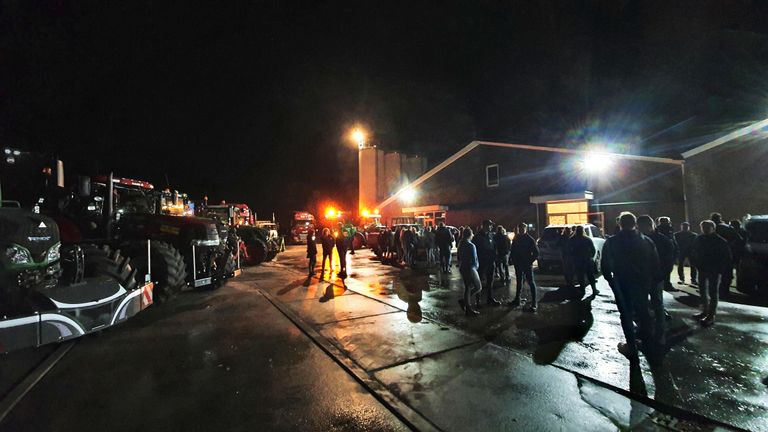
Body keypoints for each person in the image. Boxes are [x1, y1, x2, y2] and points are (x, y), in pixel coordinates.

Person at [601, 212, 660, 361]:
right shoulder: (645, 241)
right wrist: (650, 280)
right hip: (642, 283)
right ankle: (649, 345)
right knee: (643, 313)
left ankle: (631, 345)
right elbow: (655, 263)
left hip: (622, 283)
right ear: (635, 224)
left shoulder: (612, 242)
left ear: (620, 224)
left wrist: (611, 282)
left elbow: (605, 265)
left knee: (626, 314)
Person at [691, 220, 732, 326]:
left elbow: (726, 257)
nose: (704, 229)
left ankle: (711, 315)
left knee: (713, 293)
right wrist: (696, 264)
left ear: (713, 228)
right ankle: (705, 311)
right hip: (703, 269)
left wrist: (720, 270)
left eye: (707, 227)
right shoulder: (699, 239)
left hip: (714, 270)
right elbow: (694, 252)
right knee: (703, 291)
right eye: (703, 227)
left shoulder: (720, 241)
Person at [638, 215, 671, 341]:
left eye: (640, 227)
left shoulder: (661, 240)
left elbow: (668, 260)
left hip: (655, 278)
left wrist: (661, 275)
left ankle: (659, 334)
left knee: (657, 305)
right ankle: (647, 331)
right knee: (645, 304)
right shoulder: (641, 239)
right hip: (643, 278)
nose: (639, 229)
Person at [509, 222, 539, 311]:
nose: (521, 230)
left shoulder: (529, 239)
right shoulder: (516, 238)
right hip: (518, 264)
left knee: (531, 282)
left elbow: (536, 252)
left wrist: (529, 261)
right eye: (520, 229)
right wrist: (513, 259)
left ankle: (534, 303)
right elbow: (513, 250)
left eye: (522, 229)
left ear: (525, 229)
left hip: (526, 264)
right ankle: (517, 299)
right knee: (519, 281)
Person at [711, 213, 739, 297]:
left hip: (712, 255)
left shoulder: (709, 227)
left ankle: (713, 290)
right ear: (720, 218)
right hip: (726, 253)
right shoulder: (726, 227)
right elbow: (738, 238)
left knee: (713, 273)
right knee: (726, 273)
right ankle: (724, 291)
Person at [473, 220, 500, 306]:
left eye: (491, 225)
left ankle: (490, 299)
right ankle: (478, 300)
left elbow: (494, 247)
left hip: (491, 262)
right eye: (490, 225)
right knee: (479, 281)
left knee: (490, 281)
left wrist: (495, 256)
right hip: (482, 262)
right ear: (485, 226)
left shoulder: (491, 235)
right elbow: (475, 251)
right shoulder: (477, 237)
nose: (491, 227)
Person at [567, 225, 598, 296]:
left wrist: (572, 258)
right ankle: (594, 289)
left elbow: (568, 250)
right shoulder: (587, 239)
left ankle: (582, 290)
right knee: (590, 275)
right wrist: (591, 257)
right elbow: (593, 250)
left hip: (577, 260)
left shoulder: (572, 239)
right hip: (587, 260)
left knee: (580, 276)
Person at [457, 228, 481, 316]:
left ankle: (467, 306)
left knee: (468, 287)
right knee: (478, 287)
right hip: (471, 268)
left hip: (463, 267)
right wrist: (476, 267)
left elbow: (459, 257)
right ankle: (465, 303)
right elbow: (474, 259)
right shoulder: (471, 245)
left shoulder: (461, 244)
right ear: (470, 235)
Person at [655, 216, 677, 291]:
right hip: (663, 254)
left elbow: (673, 241)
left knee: (668, 270)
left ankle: (666, 284)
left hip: (669, 254)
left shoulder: (670, 230)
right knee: (665, 271)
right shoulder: (660, 231)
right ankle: (665, 285)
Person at [730, 219, 747, 284]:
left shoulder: (741, 231)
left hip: (738, 252)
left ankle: (738, 281)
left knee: (738, 267)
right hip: (736, 252)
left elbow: (742, 241)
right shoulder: (742, 231)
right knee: (735, 267)